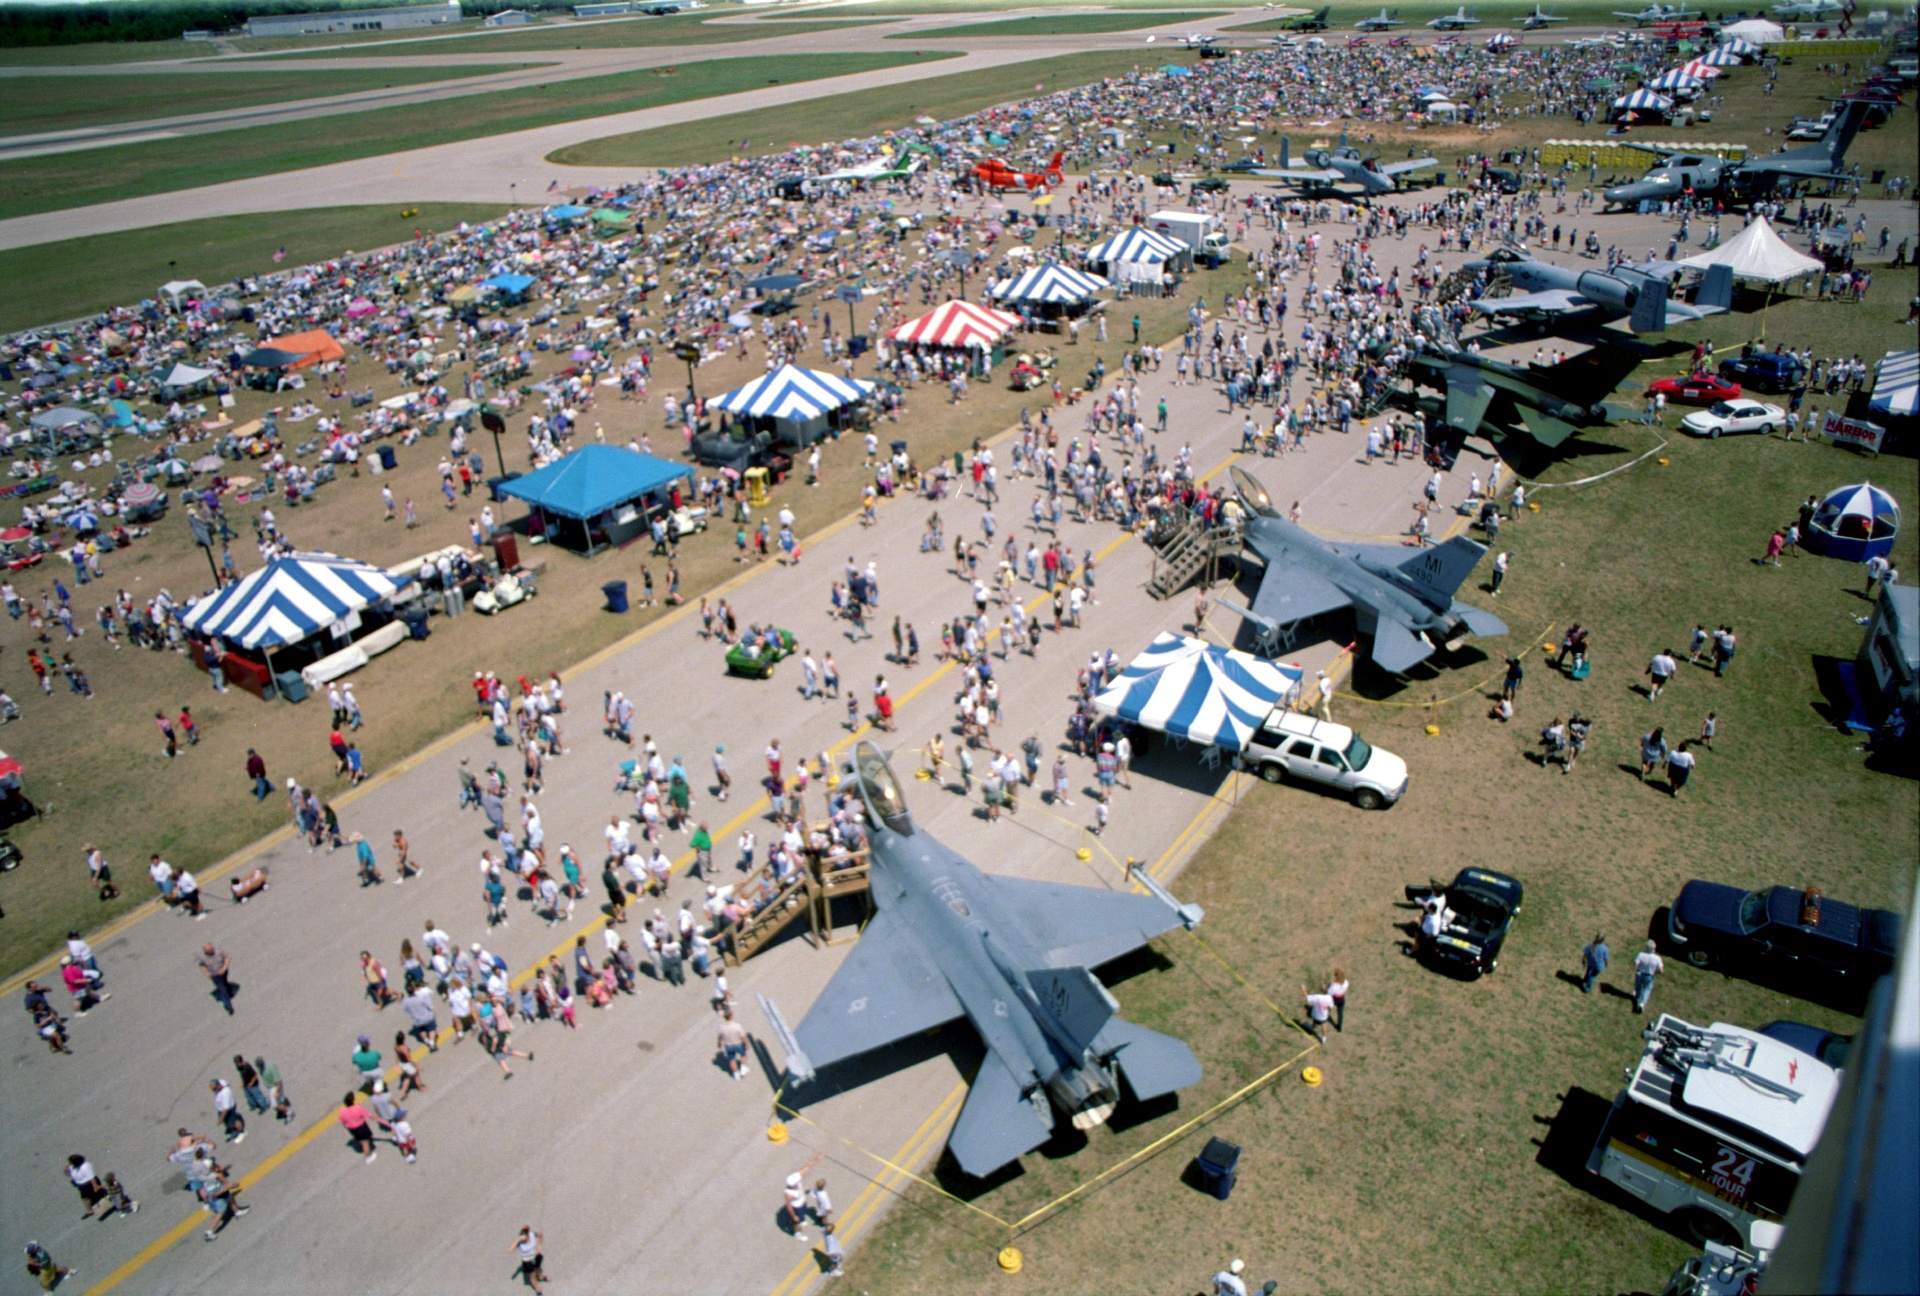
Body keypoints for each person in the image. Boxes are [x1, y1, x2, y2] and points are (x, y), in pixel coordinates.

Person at [199, 943, 236, 1015]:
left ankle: (229, 992)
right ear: (206, 951)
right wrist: (207, 973)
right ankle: (229, 1006)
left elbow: (227, 958)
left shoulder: (219, 952)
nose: (211, 950)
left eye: (211, 948)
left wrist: (224, 967)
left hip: (223, 972)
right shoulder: (203, 958)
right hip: (215, 976)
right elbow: (202, 965)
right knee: (222, 989)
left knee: (225, 983)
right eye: (209, 950)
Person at [1632, 940, 1665, 1014]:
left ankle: (1636, 997)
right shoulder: (1657, 958)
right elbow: (1661, 970)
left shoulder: (1641, 955)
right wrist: (1654, 972)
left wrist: (1637, 968)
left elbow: (1635, 964)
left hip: (1640, 973)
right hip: (1649, 975)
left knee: (1638, 987)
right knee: (1647, 990)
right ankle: (1642, 1004)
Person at [513, 1226, 547, 1294]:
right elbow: (512, 1248)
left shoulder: (532, 1234)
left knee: (538, 1268)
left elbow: (541, 1235)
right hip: (527, 1261)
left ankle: (540, 1277)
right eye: (522, 1238)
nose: (523, 1240)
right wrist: (517, 1241)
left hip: (535, 1256)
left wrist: (538, 1247)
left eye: (524, 1238)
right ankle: (538, 1289)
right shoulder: (520, 1242)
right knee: (532, 1276)